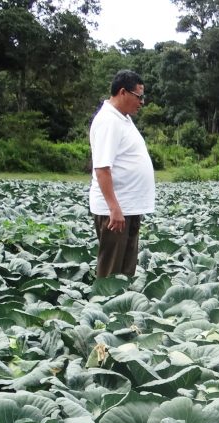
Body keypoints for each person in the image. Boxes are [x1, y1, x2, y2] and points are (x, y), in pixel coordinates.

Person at [88, 69, 154, 278]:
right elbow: (102, 168)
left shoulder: (122, 118)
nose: (142, 102)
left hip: (129, 207)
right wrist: (114, 208)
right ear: (123, 92)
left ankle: (120, 309)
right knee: (110, 273)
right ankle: (104, 307)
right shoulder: (108, 120)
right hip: (116, 210)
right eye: (139, 96)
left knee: (125, 271)